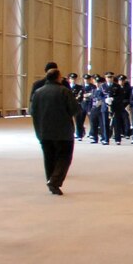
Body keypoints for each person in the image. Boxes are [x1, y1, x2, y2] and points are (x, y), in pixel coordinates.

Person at [31, 65, 78, 195]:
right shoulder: (64, 91)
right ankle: (55, 181)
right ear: (58, 78)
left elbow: (32, 111)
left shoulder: (38, 92)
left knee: (49, 157)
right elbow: (74, 109)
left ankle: (50, 180)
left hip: (43, 131)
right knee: (64, 156)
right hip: (63, 131)